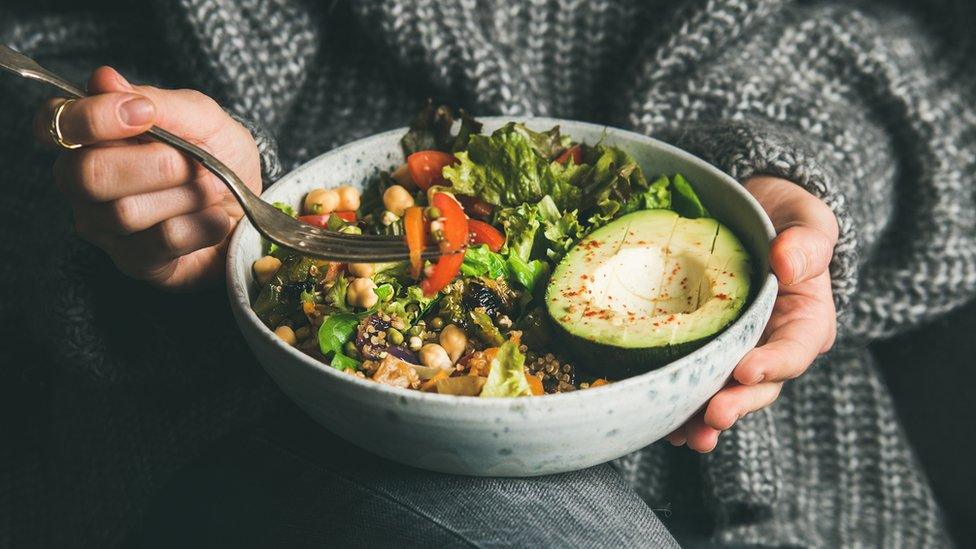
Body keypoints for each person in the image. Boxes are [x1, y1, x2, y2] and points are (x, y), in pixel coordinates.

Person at [0, 0, 972, 547]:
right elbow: (49, 50)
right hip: (254, 413)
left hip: (789, 463)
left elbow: (909, 46)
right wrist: (149, 186)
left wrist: (782, 167)